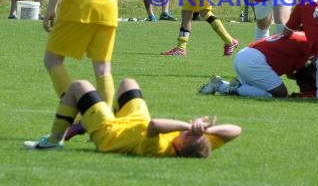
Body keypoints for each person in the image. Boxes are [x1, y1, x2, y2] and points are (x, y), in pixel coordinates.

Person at [24, 78, 241, 157]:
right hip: (135, 120)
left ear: (182, 146)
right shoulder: (200, 141)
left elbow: (155, 125)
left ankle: (53, 141)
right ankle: (84, 125)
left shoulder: (161, 149)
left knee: (79, 86)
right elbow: (236, 131)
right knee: (129, 83)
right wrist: (207, 130)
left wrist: (189, 125)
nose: (189, 132)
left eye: (189, 134)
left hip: (110, 133)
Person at [198, 32, 313, 98]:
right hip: (254, 60)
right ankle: (238, 88)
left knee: (260, 90)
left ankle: (220, 85)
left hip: (245, 55)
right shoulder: (305, 39)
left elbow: (290, 74)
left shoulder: (297, 37)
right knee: (280, 94)